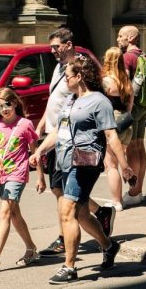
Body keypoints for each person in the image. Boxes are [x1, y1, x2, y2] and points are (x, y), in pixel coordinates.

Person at [30, 56, 134, 284]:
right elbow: (58, 130)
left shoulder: (99, 102)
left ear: (80, 77)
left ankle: (69, 267)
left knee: (67, 211)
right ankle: (109, 245)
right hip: (65, 160)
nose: (64, 79)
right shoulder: (70, 100)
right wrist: (40, 151)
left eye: (67, 76)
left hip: (85, 162)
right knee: (82, 213)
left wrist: (124, 165)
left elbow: (111, 135)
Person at [36, 27, 115, 259]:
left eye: (56, 47)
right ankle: (100, 213)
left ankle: (64, 238)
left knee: (63, 192)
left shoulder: (78, 68)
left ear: (68, 45)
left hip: (68, 140)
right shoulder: (60, 69)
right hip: (53, 135)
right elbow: (55, 102)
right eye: (51, 47)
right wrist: (41, 124)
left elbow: (96, 94)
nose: (52, 51)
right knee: (60, 189)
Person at [0, 87, 45, 273]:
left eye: (7, 104)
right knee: (14, 215)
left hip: (18, 174)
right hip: (2, 174)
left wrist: (40, 177)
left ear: (14, 103)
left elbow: (35, 152)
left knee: (5, 213)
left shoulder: (25, 124)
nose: (4, 109)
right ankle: (31, 249)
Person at [117, 25, 146, 207]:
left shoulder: (127, 57)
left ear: (130, 38)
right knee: (139, 146)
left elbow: (126, 84)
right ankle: (139, 189)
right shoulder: (144, 56)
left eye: (121, 36)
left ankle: (133, 192)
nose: (118, 39)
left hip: (132, 107)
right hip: (144, 105)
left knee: (131, 148)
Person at [101, 46, 134, 211]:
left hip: (113, 123)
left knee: (110, 164)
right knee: (121, 160)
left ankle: (116, 201)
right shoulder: (127, 81)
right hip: (127, 124)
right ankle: (121, 197)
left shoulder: (107, 81)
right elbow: (130, 106)